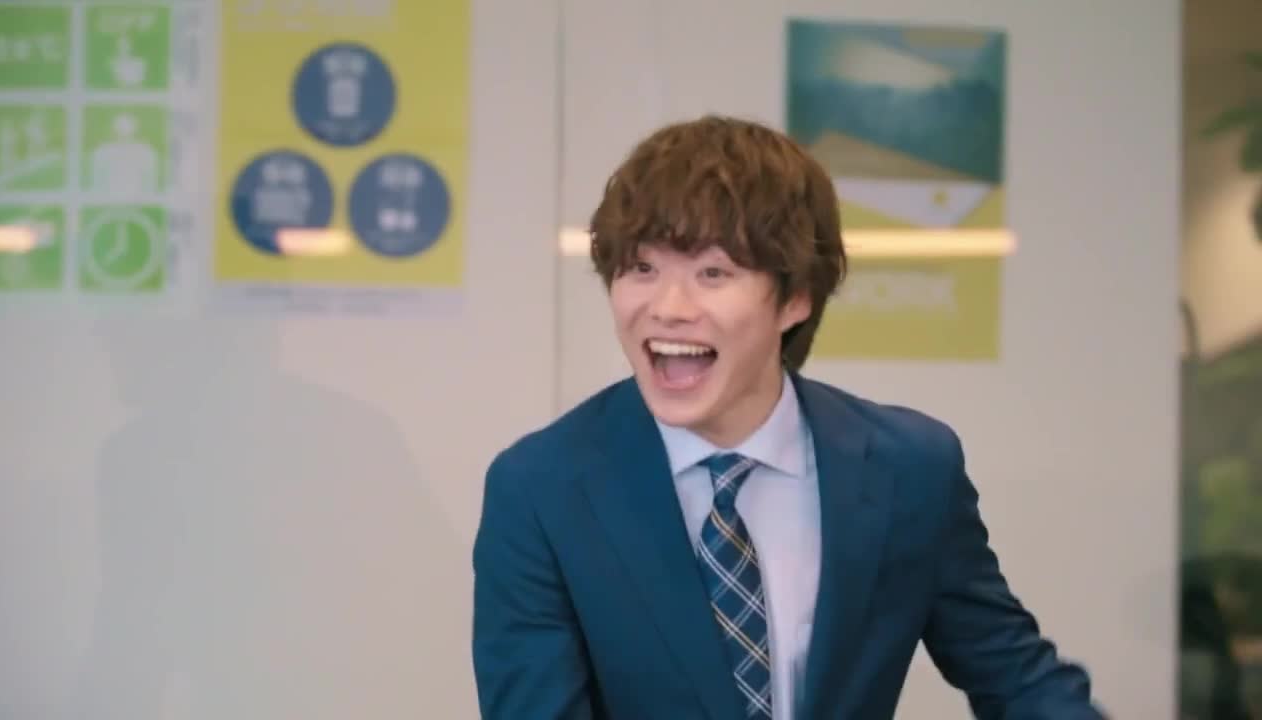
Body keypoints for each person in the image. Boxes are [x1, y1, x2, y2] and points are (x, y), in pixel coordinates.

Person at [471, 115, 1105, 719]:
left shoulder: (909, 470)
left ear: (795, 297)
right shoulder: (542, 488)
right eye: (641, 268)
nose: (667, 307)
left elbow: (1017, 680)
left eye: (712, 272)